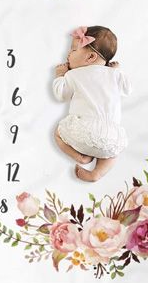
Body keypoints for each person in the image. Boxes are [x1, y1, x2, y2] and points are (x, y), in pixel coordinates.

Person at [53, 25, 132, 182]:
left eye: (73, 50)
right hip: (111, 138)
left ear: (90, 58)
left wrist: (60, 76)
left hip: (82, 132)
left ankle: (81, 158)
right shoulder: (114, 75)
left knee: (58, 133)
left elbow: (61, 95)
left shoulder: (74, 74)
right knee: (112, 154)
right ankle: (97, 173)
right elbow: (128, 89)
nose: (68, 54)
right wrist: (118, 71)